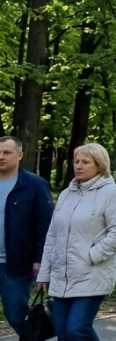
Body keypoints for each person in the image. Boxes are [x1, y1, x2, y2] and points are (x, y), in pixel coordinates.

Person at [37, 143, 116, 341]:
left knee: (77, 329)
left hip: (91, 274)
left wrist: (92, 255)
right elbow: (52, 235)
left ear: (100, 165)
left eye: (85, 162)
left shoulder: (111, 193)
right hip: (61, 276)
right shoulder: (66, 194)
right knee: (63, 333)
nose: (78, 166)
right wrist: (44, 273)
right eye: (76, 161)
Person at [0, 136, 53, 337]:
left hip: (17, 264)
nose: (1, 156)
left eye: (7, 152)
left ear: (20, 155)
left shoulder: (34, 185)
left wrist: (40, 258)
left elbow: (46, 225)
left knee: (16, 314)